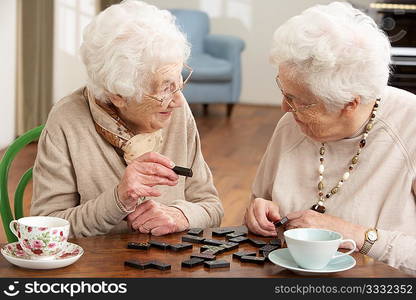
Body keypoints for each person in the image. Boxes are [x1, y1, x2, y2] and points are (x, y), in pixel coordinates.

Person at [245, 2, 416, 275]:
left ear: (349, 103)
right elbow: (261, 203)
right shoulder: (291, 125)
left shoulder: (410, 127)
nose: (285, 109)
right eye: (284, 92)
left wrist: (354, 234)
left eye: (299, 101)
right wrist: (259, 214)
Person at [31, 0, 223, 237]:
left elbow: (211, 207)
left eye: (178, 81)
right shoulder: (67, 121)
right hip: (98, 269)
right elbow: (44, 228)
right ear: (118, 95)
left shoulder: (177, 110)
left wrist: (180, 215)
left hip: (169, 265)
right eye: (164, 88)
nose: (177, 99)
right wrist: (118, 199)